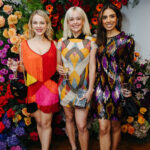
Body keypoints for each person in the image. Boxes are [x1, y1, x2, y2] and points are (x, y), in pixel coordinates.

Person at [7, 10, 59, 150]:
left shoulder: (55, 45)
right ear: (31, 25)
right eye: (35, 22)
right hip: (33, 87)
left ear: (47, 24)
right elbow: (23, 68)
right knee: (40, 122)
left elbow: (59, 68)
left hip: (49, 87)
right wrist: (15, 67)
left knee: (47, 123)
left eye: (42, 22)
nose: (38, 25)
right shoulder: (23, 45)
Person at [95, 3, 135, 150]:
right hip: (101, 88)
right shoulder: (99, 41)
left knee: (115, 125)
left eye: (112, 16)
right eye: (105, 17)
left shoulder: (127, 41)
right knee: (103, 127)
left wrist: (128, 88)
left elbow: (130, 67)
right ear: (101, 20)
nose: (108, 20)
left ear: (117, 18)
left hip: (118, 88)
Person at [57, 6, 97, 150]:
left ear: (83, 21)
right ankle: (73, 147)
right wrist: (58, 68)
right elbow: (58, 65)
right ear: (67, 23)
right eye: (71, 19)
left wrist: (90, 89)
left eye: (78, 18)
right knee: (68, 118)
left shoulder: (91, 41)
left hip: (83, 89)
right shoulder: (61, 42)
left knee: (81, 125)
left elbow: (93, 67)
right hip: (65, 88)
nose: (75, 22)